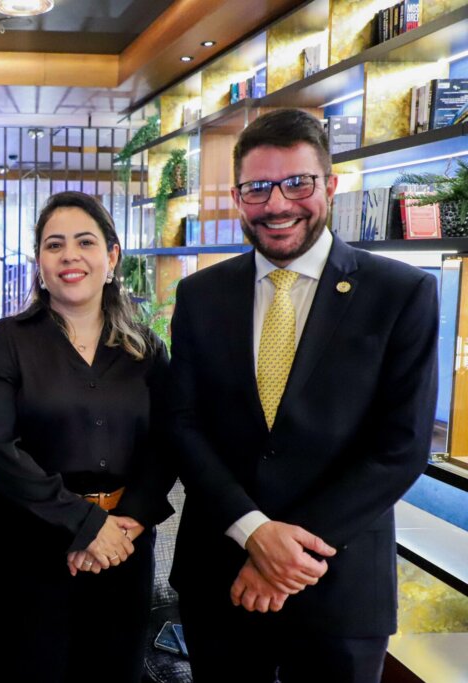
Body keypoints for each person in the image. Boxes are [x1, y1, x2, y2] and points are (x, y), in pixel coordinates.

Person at [168, 109, 438, 682]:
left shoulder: (402, 293)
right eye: (257, 188)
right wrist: (254, 531)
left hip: (339, 585)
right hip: (221, 573)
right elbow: (184, 424)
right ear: (238, 196)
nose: (277, 204)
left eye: (297, 183)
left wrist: (285, 558)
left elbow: (402, 447)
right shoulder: (199, 296)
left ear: (331, 185)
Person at [0, 191, 176, 680]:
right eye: (54, 245)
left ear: (112, 254)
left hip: (123, 546)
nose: (70, 256)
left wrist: (129, 522)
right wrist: (87, 526)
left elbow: (168, 443)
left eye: (85, 241)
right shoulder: (5, 342)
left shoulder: (147, 349)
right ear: (39, 261)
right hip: (27, 547)